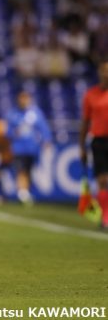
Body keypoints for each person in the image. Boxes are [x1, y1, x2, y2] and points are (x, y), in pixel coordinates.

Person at [5, 90, 51, 206]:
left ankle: (25, 192)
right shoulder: (12, 113)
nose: (23, 100)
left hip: (32, 148)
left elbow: (43, 127)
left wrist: (47, 140)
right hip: (18, 148)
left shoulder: (35, 113)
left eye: (26, 98)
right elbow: (8, 132)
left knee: (29, 171)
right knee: (21, 170)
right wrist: (14, 133)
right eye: (21, 98)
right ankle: (22, 193)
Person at [79, 60, 108, 229]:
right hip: (98, 141)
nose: (106, 74)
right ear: (99, 73)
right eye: (104, 70)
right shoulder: (91, 94)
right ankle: (105, 217)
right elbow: (85, 122)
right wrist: (81, 147)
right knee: (102, 180)